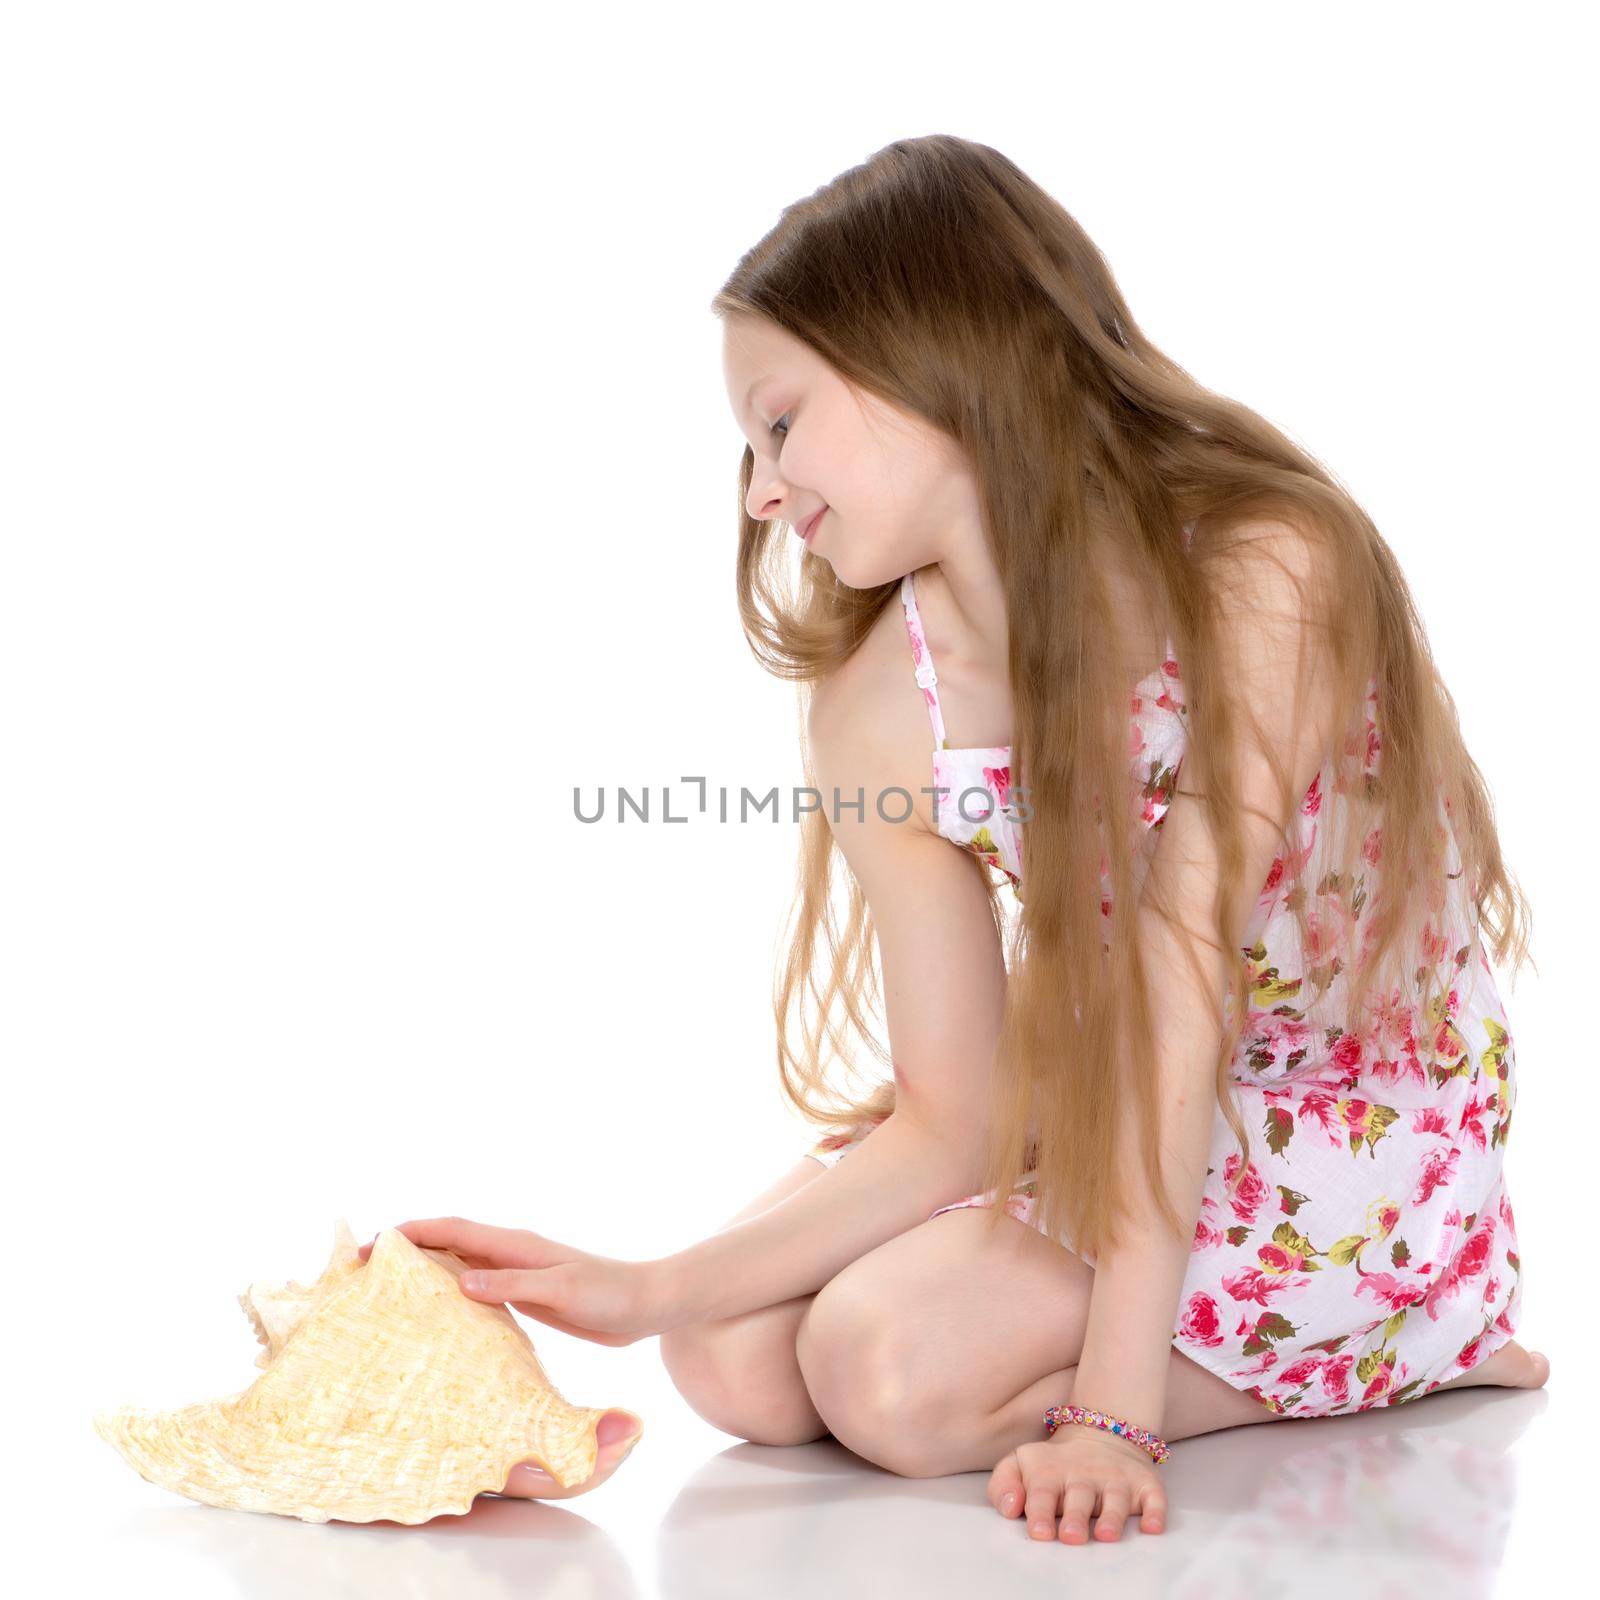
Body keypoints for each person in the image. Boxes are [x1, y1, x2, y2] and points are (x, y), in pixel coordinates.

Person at [362, 135, 1547, 1543]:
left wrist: (1113, 1414)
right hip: (1108, 1100)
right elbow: (958, 1109)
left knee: (890, 1376)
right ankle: (1277, 1334)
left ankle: (1408, 1326)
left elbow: (1182, 981)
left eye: (780, 424)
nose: (758, 491)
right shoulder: (882, 704)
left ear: (931, 361)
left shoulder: (1266, 566)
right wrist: (643, 1288)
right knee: (728, 1354)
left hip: (1332, 1104)